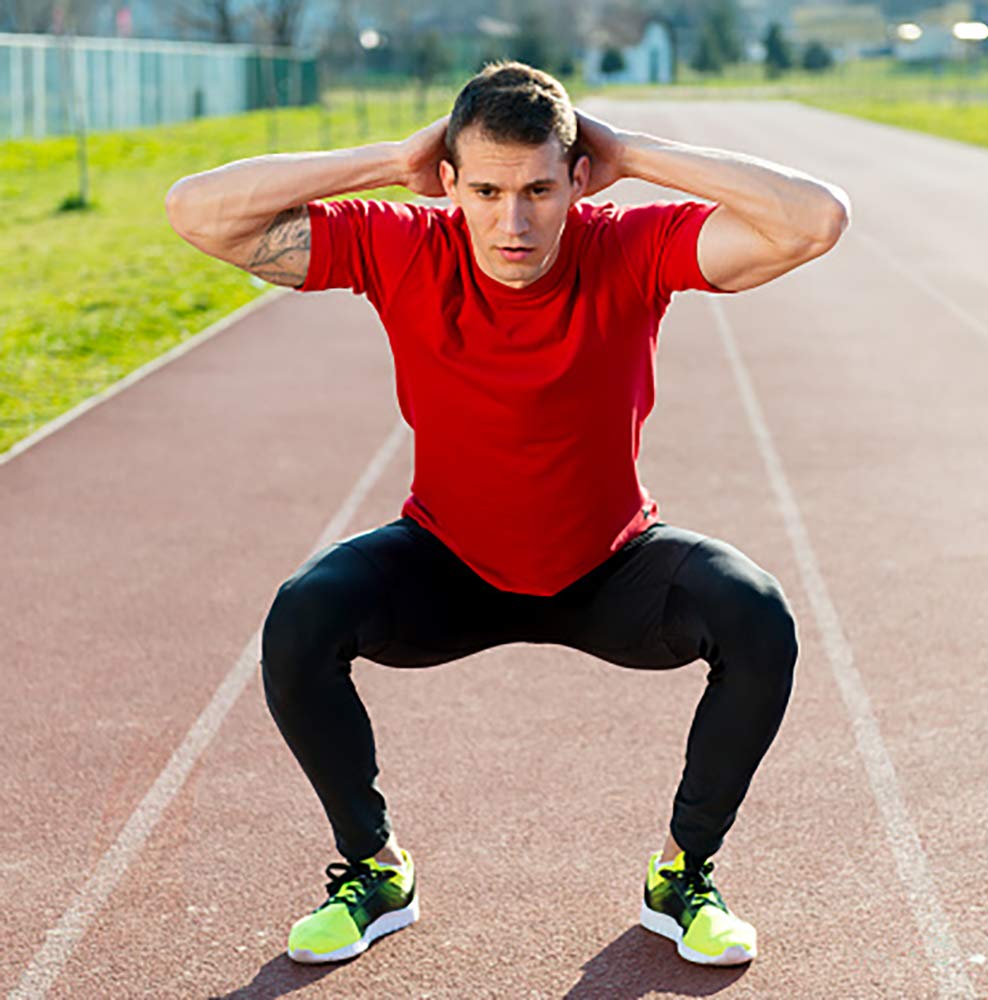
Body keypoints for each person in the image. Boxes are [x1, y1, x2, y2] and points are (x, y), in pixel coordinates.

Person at [165, 61, 849, 969]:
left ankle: (682, 874)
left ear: (578, 179)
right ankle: (374, 869)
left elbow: (816, 221)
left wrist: (634, 152)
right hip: (447, 563)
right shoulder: (402, 244)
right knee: (303, 615)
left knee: (755, 613)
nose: (512, 222)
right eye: (486, 191)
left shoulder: (629, 246)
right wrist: (389, 160)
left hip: (609, 567)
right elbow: (196, 212)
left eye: (538, 190)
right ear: (449, 182)